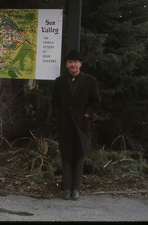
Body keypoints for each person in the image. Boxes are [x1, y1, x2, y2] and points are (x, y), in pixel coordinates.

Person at [52, 50, 101, 200]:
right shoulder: (59, 81)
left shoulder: (89, 80)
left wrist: (87, 114)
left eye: (76, 62)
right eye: (70, 62)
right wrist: (59, 118)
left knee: (79, 156)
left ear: (80, 64)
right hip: (65, 125)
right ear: (66, 64)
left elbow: (96, 100)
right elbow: (54, 103)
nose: (73, 64)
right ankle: (66, 189)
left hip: (82, 125)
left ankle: (76, 189)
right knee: (66, 156)